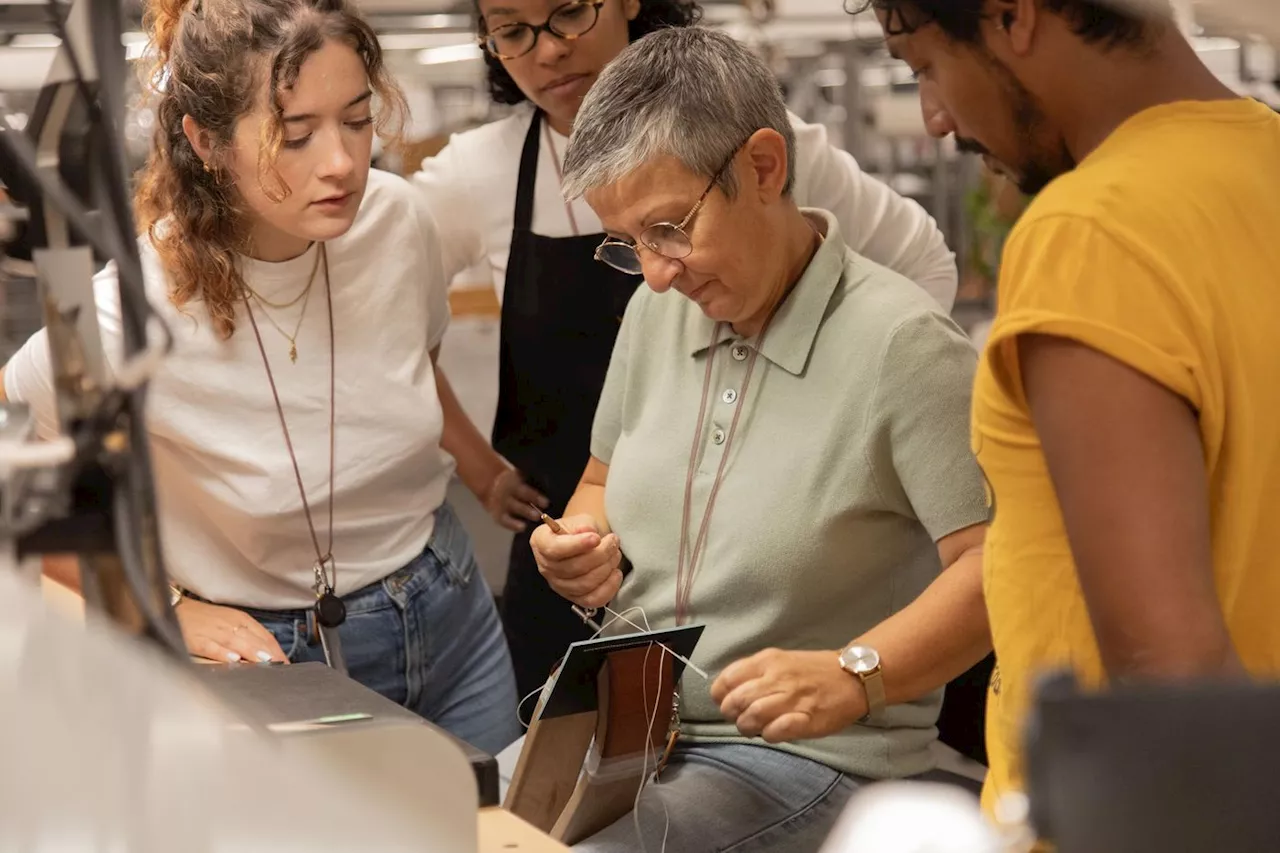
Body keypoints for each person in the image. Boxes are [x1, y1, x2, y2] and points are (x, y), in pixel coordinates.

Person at [0, 0, 520, 756]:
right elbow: (21, 476)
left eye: (357, 118)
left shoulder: (400, 224)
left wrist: (485, 471)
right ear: (207, 141)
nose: (341, 162)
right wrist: (158, 608)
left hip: (452, 614)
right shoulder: (127, 309)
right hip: (274, 659)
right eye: (297, 135)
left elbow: (413, 368)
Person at [412, 0, 961, 702]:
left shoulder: (750, 144)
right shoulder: (484, 178)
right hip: (594, 569)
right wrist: (486, 472)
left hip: (766, 598)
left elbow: (922, 273)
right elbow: (387, 301)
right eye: (512, 33)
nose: (546, 51)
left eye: (569, 13)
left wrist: (844, 422)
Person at [530, 27, 994, 852]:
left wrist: (855, 675)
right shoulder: (656, 312)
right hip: (635, 736)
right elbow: (601, 483)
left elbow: (1000, 569)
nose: (658, 270)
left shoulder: (902, 345)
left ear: (765, 167)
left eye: (669, 227)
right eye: (630, 243)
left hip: (804, 757)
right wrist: (582, 541)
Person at [857, 0, 1280, 823]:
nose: (937, 119)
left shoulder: (1091, 233)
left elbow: (1173, 685)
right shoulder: (1265, 158)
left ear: (1012, 15)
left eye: (927, 66)